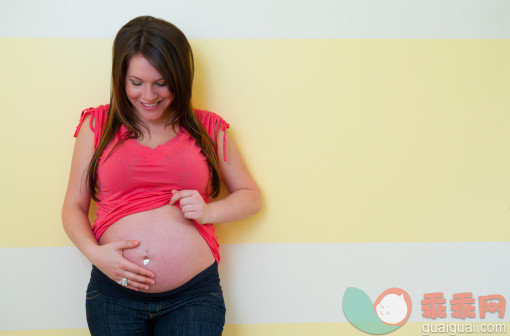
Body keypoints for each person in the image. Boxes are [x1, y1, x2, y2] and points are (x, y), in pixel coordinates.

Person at [61, 15, 262, 335]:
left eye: (161, 83)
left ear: (180, 77)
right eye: (136, 83)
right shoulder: (97, 125)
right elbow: (73, 206)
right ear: (120, 78)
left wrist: (210, 210)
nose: (149, 96)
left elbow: (251, 196)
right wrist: (96, 255)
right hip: (114, 296)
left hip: (193, 298)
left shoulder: (208, 128)